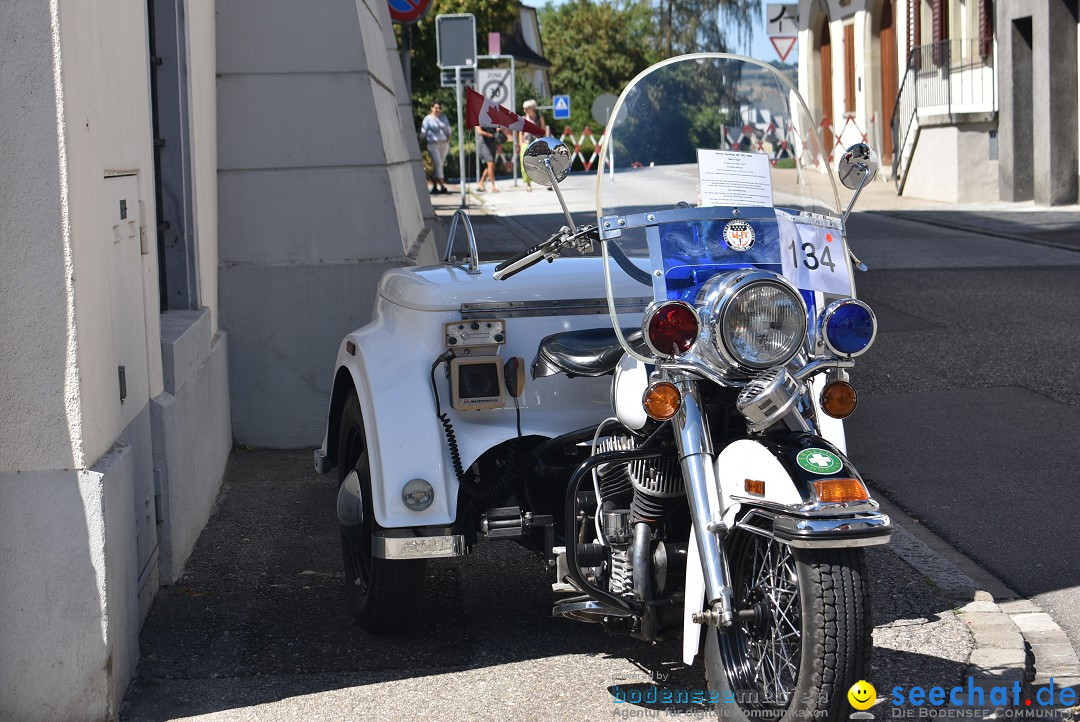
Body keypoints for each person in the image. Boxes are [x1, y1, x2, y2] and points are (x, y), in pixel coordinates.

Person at [419, 101, 451, 194]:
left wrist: (447, 139)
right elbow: (423, 132)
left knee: (440, 165)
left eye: (439, 108)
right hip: (433, 144)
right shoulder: (427, 119)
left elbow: (448, 130)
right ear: (431, 108)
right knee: (437, 164)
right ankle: (442, 185)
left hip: (443, 143)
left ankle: (434, 186)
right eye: (436, 108)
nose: (438, 110)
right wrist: (418, 142)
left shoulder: (443, 117)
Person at [517, 99, 548, 192]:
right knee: (525, 164)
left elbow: (544, 130)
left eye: (527, 108)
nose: (525, 110)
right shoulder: (523, 118)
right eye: (524, 109)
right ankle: (528, 183)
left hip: (537, 142)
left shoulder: (539, 118)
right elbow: (520, 132)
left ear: (532, 108)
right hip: (526, 142)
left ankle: (546, 181)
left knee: (542, 163)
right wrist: (520, 143)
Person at [476, 126, 500, 192]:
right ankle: (493, 186)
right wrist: (490, 135)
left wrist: (499, 143)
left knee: (490, 166)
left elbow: (497, 129)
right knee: (490, 163)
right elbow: (479, 131)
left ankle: (480, 184)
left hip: (492, 143)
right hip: (484, 143)